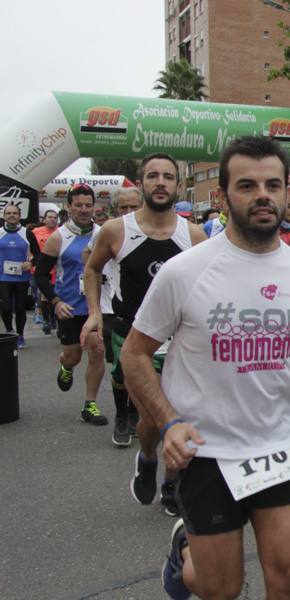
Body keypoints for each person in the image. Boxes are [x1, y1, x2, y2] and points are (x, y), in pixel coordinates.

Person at [117, 135, 290, 600]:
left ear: (286, 194)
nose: (262, 194)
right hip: (206, 450)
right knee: (219, 589)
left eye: (273, 185)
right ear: (223, 196)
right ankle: (185, 556)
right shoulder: (185, 271)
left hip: (279, 444)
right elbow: (134, 354)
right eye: (247, 185)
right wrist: (168, 423)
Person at [81, 152, 207, 516]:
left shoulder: (194, 235)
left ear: (179, 186)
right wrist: (93, 314)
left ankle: (171, 481)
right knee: (154, 417)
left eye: (168, 176)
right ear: (141, 183)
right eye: (153, 176)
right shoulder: (116, 230)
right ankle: (148, 457)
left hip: (181, 340)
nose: (161, 182)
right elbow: (92, 270)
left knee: (179, 412)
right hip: (133, 339)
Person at [34, 184, 107, 425]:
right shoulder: (58, 238)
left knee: (97, 351)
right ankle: (66, 366)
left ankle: (90, 405)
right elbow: (41, 275)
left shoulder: (103, 233)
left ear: (94, 207)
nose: (84, 210)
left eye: (88, 205)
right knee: (73, 356)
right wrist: (56, 301)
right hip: (70, 308)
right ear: (69, 207)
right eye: (78, 205)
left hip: (96, 307)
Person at [87, 187, 144, 445]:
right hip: (114, 310)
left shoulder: (155, 230)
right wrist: (95, 306)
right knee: (120, 369)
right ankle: (122, 415)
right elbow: (89, 261)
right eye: (124, 208)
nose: (129, 213)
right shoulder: (108, 231)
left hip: (148, 314)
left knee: (145, 370)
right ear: (115, 210)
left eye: (134, 207)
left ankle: (134, 413)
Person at [1, 205, 36, 349]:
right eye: (8, 213)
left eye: (14, 213)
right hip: (3, 277)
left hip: (22, 277)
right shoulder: (0, 232)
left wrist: (31, 262)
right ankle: (9, 330)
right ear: (4, 216)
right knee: (7, 307)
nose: (11, 215)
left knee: (20, 308)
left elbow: (39, 254)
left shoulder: (27, 233)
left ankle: (20, 335)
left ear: (19, 216)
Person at [32, 209, 59, 333]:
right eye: (50, 217)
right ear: (44, 219)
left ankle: (54, 318)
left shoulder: (61, 231)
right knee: (44, 295)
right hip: (43, 268)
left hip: (57, 268)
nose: (52, 219)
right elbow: (30, 247)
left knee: (55, 294)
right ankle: (46, 321)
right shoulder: (36, 232)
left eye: (55, 217)